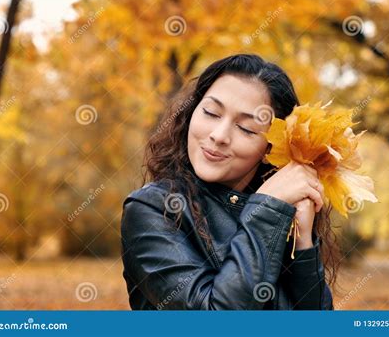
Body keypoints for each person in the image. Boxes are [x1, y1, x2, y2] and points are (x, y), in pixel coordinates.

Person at [121, 54, 339, 310]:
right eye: (211, 112)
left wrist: (302, 244)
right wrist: (266, 209)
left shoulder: (281, 214)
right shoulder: (150, 209)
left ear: (271, 148)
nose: (219, 135)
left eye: (246, 129)